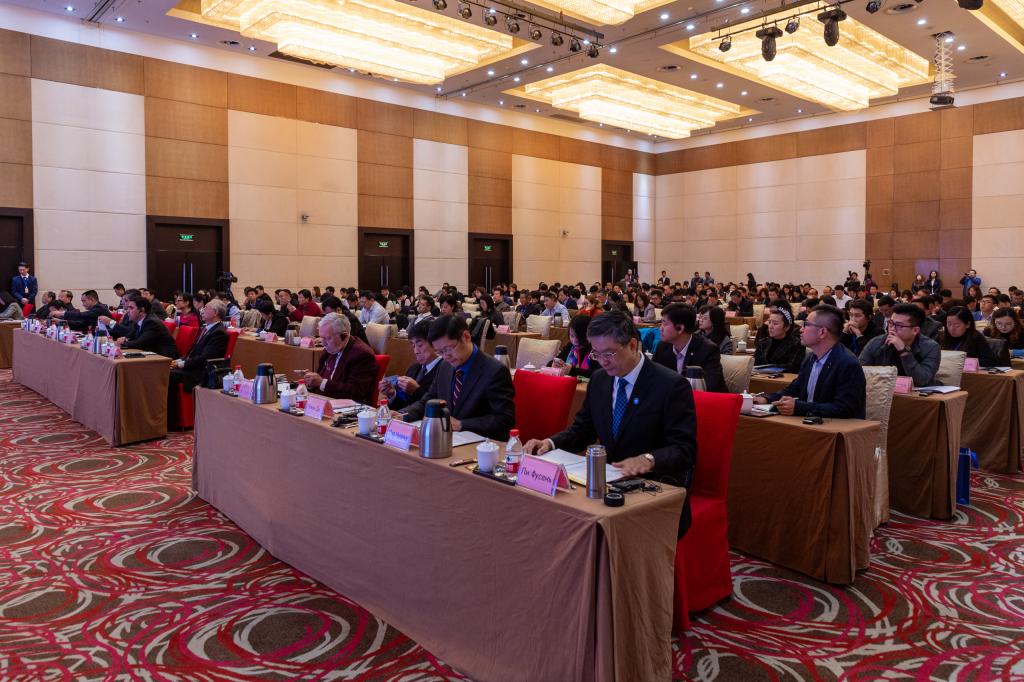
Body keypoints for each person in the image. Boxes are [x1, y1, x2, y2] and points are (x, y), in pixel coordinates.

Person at [523, 311, 697, 537]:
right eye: (596, 354)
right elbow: (583, 430)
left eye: (609, 353)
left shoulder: (670, 386)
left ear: (632, 345)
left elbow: (684, 450)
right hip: (608, 488)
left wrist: (648, 459)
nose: (603, 361)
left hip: (654, 490)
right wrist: (550, 443)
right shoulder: (599, 380)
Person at [401, 315, 515, 440]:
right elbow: (428, 401)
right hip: (449, 439)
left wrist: (462, 424)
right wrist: (404, 415)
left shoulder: (494, 370)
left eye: (448, 349)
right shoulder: (444, 366)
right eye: (440, 352)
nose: (446, 356)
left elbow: (505, 418)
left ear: (466, 337)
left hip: (481, 443)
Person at [753, 305, 866, 419]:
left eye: (806, 325)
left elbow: (845, 408)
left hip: (835, 426)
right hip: (810, 422)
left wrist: (800, 407)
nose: (801, 329)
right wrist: (766, 398)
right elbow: (795, 388)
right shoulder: (810, 358)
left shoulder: (847, 363)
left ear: (822, 332)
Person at [168, 299, 230, 416]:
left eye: (206, 308)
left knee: (168, 375)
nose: (202, 310)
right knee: (164, 369)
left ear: (215, 312)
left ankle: (172, 416)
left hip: (201, 372)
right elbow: (193, 353)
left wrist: (181, 364)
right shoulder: (206, 328)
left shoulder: (219, 333)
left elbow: (205, 358)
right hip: (193, 366)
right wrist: (178, 361)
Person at [303, 312, 378, 405]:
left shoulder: (362, 355)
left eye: (327, 338)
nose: (323, 343)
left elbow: (356, 393)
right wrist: (311, 380)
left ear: (344, 336)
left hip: (348, 408)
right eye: (321, 338)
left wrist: (322, 383)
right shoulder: (330, 349)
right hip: (324, 402)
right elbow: (320, 378)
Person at [859, 303, 941, 387]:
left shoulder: (931, 347)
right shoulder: (877, 342)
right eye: (891, 323)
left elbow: (922, 380)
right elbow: (860, 372)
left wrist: (903, 351)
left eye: (899, 325)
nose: (892, 329)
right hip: (882, 390)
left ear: (915, 330)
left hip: (917, 393)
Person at [654, 303, 726, 392]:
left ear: (680, 328)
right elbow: (652, 377)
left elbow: (709, 386)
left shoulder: (708, 350)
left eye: (664, 323)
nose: (660, 328)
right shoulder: (662, 347)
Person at [378, 320, 441, 410]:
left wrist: (416, 391)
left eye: (420, 345)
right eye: (413, 345)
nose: (415, 351)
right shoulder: (413, 368)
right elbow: (403, 405)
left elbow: (440, 407)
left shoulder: (444, 371)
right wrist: (392, 394)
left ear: (435, 343)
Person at [109, 294, 178, 358]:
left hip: (164, 357)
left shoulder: (152, 322)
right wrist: (124, 339)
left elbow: (140, 343)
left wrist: (121, 343)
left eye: (131, 308)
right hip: (150, 353)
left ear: (141, 310)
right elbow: (130, 336)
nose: (127, 311)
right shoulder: (138, 321)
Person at [753, 308, 805, 373]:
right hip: (760, 377)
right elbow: (755, 363)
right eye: (769, 322)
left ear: (787, 327)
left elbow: (793, 367)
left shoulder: (796, 344)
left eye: (775, 324)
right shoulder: (763, 342)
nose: (770, 326)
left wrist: (769, 368)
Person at [550, 313, 594, 378]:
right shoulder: (570, 346)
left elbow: (597, 374)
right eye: (572, 336)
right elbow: (554, 361)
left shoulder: (595, 350)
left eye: (579, 337)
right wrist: (554, 364)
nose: (575, 341)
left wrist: (571, 370)